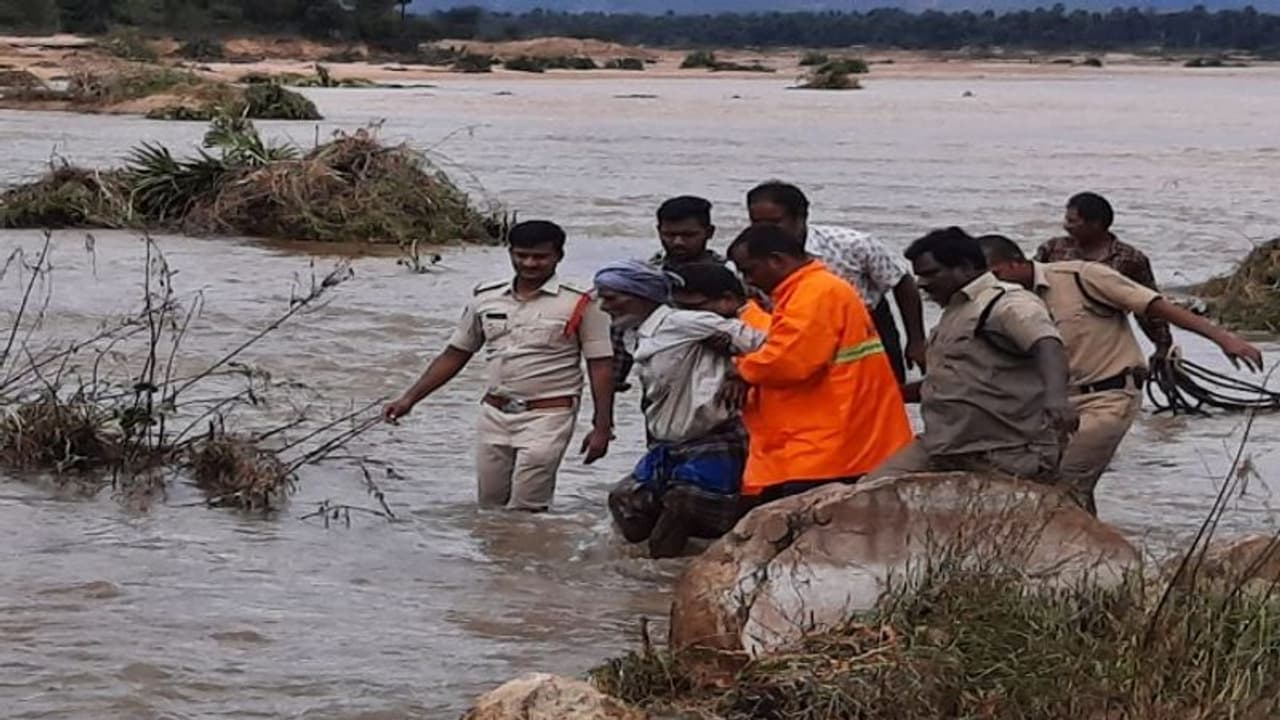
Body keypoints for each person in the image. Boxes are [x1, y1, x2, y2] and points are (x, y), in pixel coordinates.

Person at [979, 234, 1264, 514]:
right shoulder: (1002, 304)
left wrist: (1223, 338)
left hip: (1109, 397)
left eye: (996, 273)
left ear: (1016, 262)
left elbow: (1156, 307)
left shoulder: (1082, 276)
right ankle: (1095, 551)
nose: (992, 283)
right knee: (1052, 487)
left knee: (1066, 486)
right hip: (1056, 406)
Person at [383, 220, 615, 512]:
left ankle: (529, 556)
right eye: (521, 255)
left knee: (527, 506)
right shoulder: (486, 297)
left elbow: (600, 366)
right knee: (490, 508)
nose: (529, 263)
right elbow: (455, 354)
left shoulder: (581, 302)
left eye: (540, 257)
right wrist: (409, 399)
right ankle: (499, 558)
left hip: (549, 415)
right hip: (494, 413)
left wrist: (602, 426)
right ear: (510, 253)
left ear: (559, 256)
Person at [869, 227, 1076, 482]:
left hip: (1003, 453)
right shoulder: (956, 310)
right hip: (942, 447)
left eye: (931, 273)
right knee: (866, 495)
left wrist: (1057, 398)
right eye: (918, 276)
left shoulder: (1007, 304)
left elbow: (1047, 344)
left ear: (966, 267)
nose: (921, 283)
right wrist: (887, 395)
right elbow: (957, 382)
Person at [728, 224, 913, 501]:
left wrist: (740, 370)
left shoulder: (813, 293)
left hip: (825, 448)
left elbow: (788, 361)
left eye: (749, 270)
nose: (747, 280)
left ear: (777, 260)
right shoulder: (812, 290)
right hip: (837, 439)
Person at [594, 260, 764, 558]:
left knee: (681, 508)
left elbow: (765, 341)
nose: (603, 306)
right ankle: (652, 574)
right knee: (625, 501)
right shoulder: (631, 332)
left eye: (611, 298)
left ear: (642, 296)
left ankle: (660, 581)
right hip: (667, 443)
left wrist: (741, 372)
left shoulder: (685, 323)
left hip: (711, 437)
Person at [746, 181, 927, 383]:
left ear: (801, 217)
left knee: (880, 398)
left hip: (865, 334)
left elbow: (900, 281)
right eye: (756, 223)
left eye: (774, 223)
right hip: (792, 337)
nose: (764, 232)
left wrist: (916, 340)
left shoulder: (853, 245)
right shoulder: (748, 258)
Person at [1035, 192, 1174, 363]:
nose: (1066, 226)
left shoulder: (1129, 258)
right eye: (1066, 219)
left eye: (1072, 221)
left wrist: (1162, 346)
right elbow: (1028, 288)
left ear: (1096, 224)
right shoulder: (1053, 249)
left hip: (1105, 344)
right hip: (1056, 335)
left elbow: (1149, 307)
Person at [613, 196, 726, 393]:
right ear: (659, 231)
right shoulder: (645, 278)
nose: (678, 242)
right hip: (659, 383)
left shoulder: (731, 275)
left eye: (689, 235)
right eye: (670, 235)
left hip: (718, 379)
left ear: (709, 233)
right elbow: (620, 327)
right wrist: (616, 376)